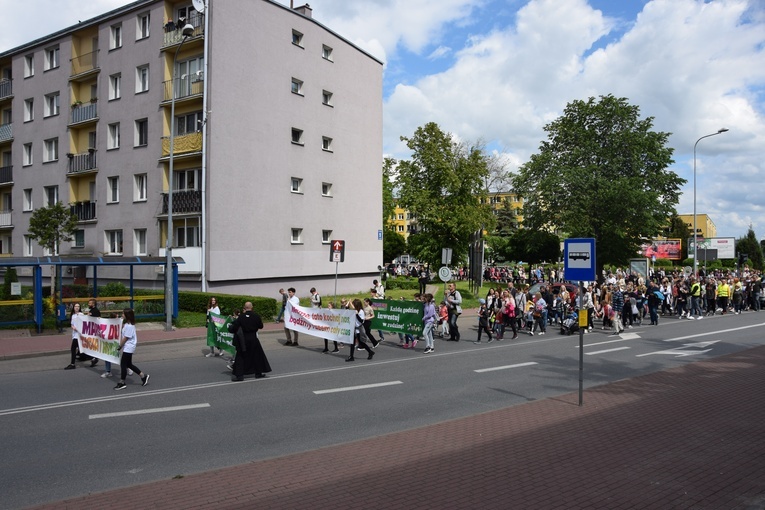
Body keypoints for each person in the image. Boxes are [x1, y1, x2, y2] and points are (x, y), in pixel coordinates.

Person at [227, 301, 270, 381]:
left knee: (240, 356)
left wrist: (230, 328)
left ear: (244, 307)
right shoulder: (256, 316)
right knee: (257, 355)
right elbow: (261, 326)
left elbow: (235, 327)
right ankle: (258, 373)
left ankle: (239, 376)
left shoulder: (241, 317)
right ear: (252, 307)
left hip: (243, 339)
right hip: (253, 338)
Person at [114, 309, 150, 390]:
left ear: (127, 315)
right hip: (127, 346)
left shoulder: (130, 326)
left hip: (129, 347)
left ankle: (122, 382)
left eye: (123, 313)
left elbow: (126, 338)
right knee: (128, 364)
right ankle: (143, 376)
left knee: (123, 364)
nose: (122, 314)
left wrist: (119, 346)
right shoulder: (127, 324)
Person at [64, 303, 86, 370]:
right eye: (75, 306)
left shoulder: (81, 315)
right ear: (73, 307)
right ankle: (93, 358)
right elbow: (72, 324)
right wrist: (73, 327)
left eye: (78, 306)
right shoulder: (73, 315)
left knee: (73, 349)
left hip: (79, 335)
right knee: (82, 349)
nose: (77, 307)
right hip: (74, 335)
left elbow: (85, 324)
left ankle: (72, 364)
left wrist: (78, 328)